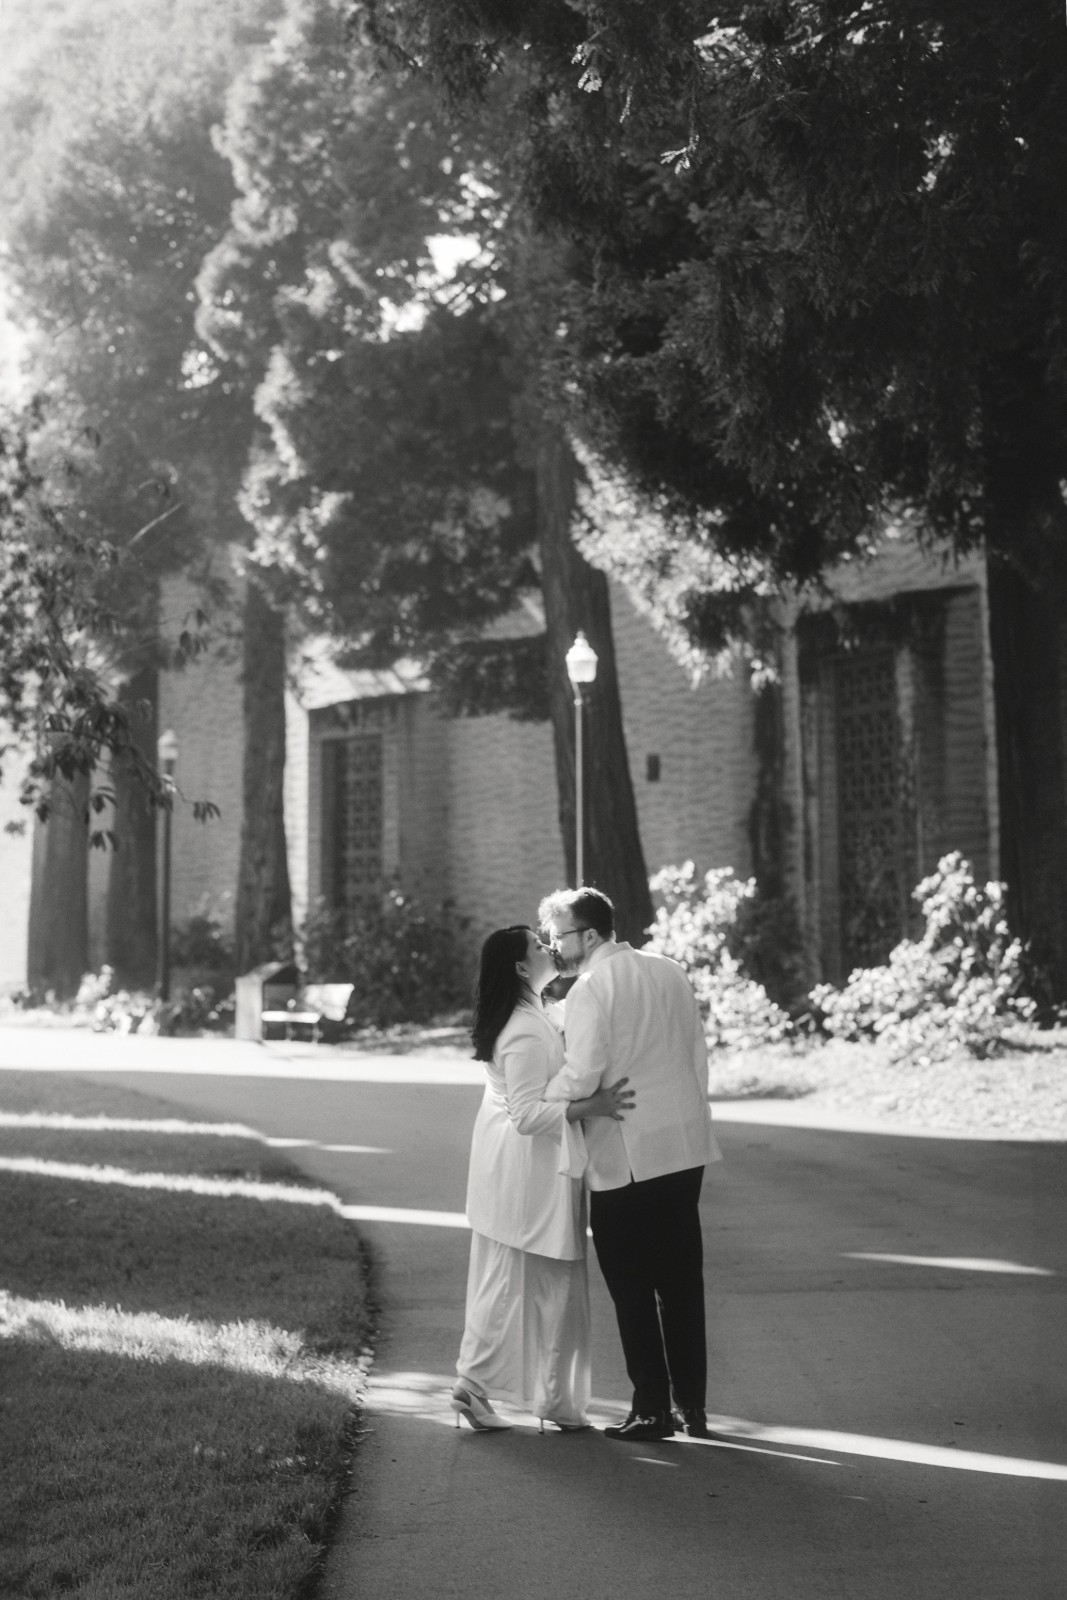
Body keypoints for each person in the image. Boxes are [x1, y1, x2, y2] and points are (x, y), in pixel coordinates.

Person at [540, 886, 722, 1443]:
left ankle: (650, 1409)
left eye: (559, 936)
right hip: (684, 1144)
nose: (553, 946)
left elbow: (583, 1073)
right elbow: (696, 1054)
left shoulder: (592, 987)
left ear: (590, 934)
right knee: (682, 1281)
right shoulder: (668, 969)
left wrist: (541, 1098)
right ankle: (693, 1406)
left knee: (632, 1286)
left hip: (628, 1153)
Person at [451, 924, 634, 1433]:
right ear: (519, 966)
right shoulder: (524, 1030)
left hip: (523, 1168)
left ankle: (538, 1397)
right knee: (528, 1282)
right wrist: (593, 1106)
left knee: (523, 1280)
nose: (548, 947)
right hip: (526, 1171)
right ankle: (486, 1387)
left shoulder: (534, 1014)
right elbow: (527, 1114)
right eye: (537, 945)